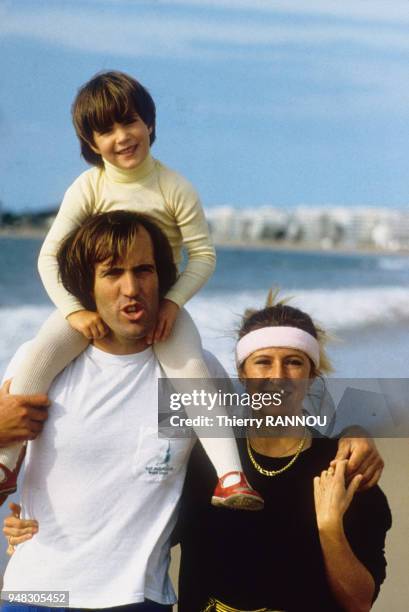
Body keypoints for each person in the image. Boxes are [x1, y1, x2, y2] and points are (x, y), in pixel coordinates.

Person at [0, 70, 261, 510]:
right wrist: (72, 311)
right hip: (90, 306)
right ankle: (6, 463)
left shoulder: (174, 187)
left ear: (150, 123)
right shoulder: (89, 187)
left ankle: (230, 476)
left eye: (130, 122)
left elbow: (202, 256)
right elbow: (49, 257)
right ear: (90, 141)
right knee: (36, 358)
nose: (122, 137)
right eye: (106, 130)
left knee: (192, 370)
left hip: (160, 305)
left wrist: (173, 303)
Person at [0, 211, 237, 611]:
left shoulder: (192, 371)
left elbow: (273, 437)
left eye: (143, 270)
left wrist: (356, 430)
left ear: (162, 278)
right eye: (112, 273)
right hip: (36, 593)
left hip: (136, 598)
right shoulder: (40, 366)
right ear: (85, 287)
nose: (132, 288)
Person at [174, 295, 392, 612]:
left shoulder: (344, 468)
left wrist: (329, 528)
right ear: (242, 373)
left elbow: (358, 602)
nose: (278, 375)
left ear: (311, 374)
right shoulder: (204, 460)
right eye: (263, 361)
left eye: (294, 362)